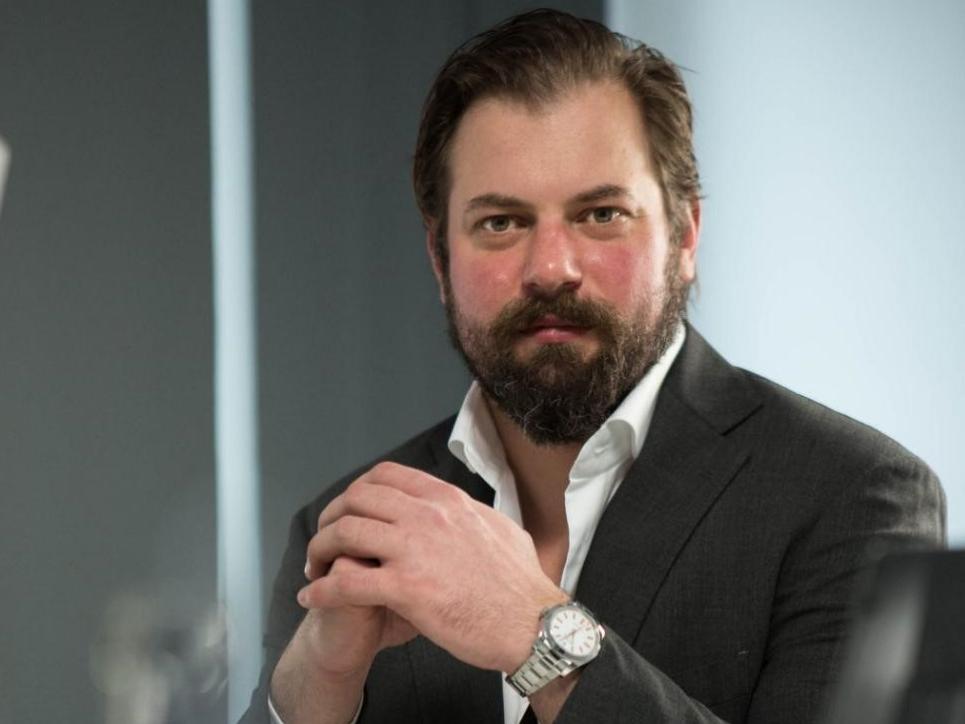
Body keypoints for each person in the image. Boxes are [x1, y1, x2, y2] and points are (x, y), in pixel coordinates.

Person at [241, 9, 945, 724]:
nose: (551, 268)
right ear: (438, 259)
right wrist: (317, 689)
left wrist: (539, 636)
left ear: (685, 235)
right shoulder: (348, 528)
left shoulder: (854, 497)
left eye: (601, 214)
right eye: (500, 223)